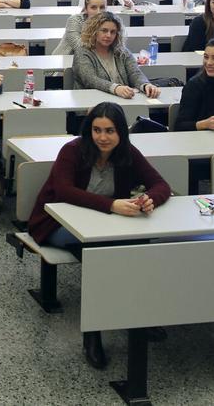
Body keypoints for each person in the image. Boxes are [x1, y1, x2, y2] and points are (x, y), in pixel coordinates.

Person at [25, 102, 171, 369]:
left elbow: (161, 184)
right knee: (101, 258)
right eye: (97, 130)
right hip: (56, 224)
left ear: (121, 133)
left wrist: (150, 199)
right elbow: (64, 191)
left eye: (110, 131)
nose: (103, 137)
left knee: (138, 249)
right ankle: (94, 333)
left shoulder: (128, 152)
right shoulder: (73, 151)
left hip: (105, 225)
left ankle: (136, 316)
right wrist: (112, 205)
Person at [72, 12, 159, 98]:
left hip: (123, 98)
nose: (108, 35)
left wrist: (145, 85)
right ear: (94, 32)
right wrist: (116, 88)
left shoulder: (122, 52)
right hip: (93, 102)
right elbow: (91, 80)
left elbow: (135, 73)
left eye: (113, 32)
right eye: (104, 30)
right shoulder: (83, 52)